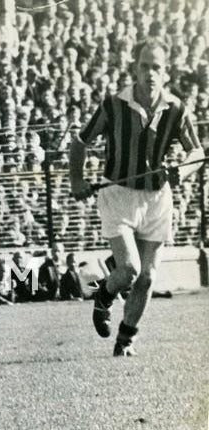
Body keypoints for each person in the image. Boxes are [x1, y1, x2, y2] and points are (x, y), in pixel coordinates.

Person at [70, 39, 204, 356]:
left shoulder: (176, 109)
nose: (150, 73)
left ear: (166, 72)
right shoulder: (114, 105)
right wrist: (77, 179)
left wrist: (182, 171)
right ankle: (103, 295)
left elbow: (196, 152)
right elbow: (80, 141)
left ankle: (125, 340)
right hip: (118, 194)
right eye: (144, 66)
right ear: (135, 68)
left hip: (157, 198)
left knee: (147, 277)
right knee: (129, 268)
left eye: (156, 67)